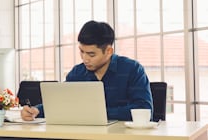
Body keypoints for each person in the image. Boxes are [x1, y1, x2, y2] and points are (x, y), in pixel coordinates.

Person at [21, 20, 153, 121]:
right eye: (81, 52)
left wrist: (98, 114)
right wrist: (37, 110)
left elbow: (144, 109)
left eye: (91, 54)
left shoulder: (132, 70)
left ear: (108, 51)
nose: (85, 59)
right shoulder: (77, 73)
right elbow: (62, 105)